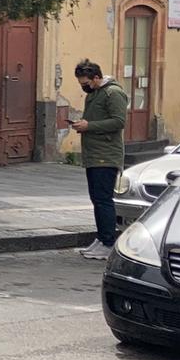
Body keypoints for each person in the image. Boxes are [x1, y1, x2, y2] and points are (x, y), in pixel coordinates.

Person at [69, 59, 129, 260]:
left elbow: (118, 121)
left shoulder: (113, 93)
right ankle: (101, 238)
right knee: (96, 198)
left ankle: (109, 241)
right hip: (94, 154)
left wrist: (89, 126)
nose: (84, 86)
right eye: (81, 83)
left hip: (106, 155)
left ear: (97, 77)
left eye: (86, 82)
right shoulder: (95, 93)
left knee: (103, 200)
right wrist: (83, 125)